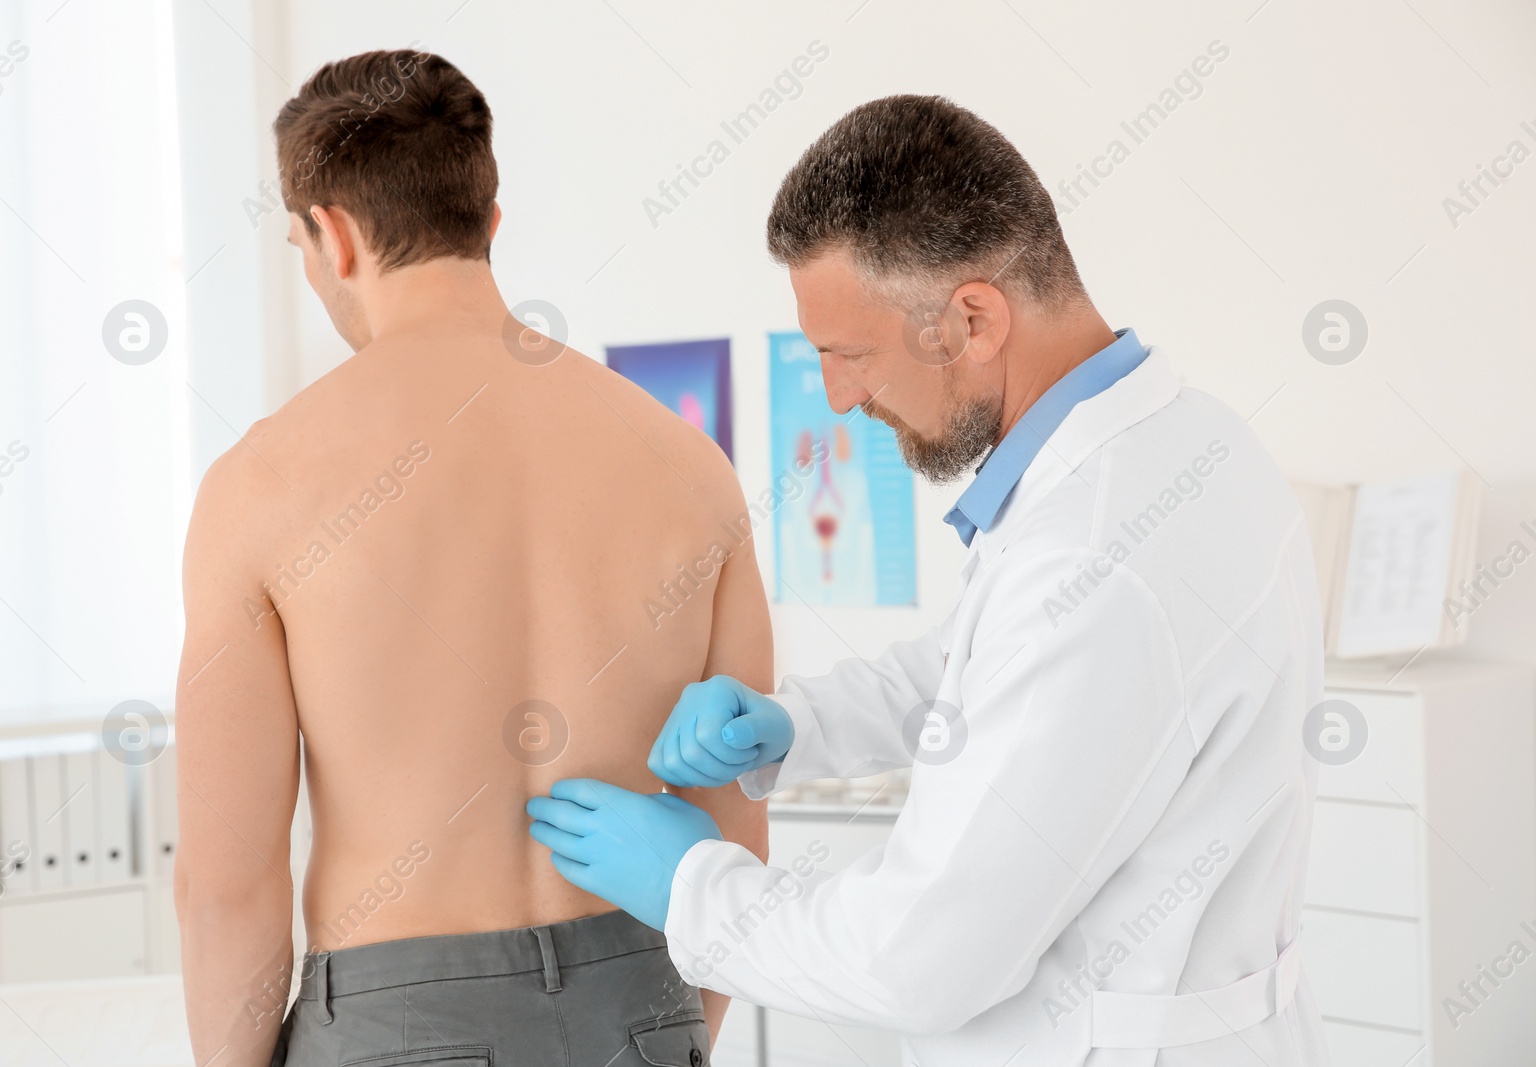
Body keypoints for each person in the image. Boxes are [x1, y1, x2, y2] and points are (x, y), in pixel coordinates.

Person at [529, 95, 1331, 1066]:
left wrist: (689, 883)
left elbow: (922, 959)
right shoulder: (1185, 444)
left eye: (847, 354)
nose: (838, 397)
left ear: (972, 318)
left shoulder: (1095, 548)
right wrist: (798, 724)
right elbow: (983, 675)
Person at [173, 49, 769, 1067]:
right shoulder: (685, 461)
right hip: (645, 999)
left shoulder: (264, 482)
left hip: (395, 1022)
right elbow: (734, 826)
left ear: (333, 234)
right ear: (489, 223)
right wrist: (656, 1027)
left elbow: (230, 882)